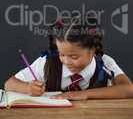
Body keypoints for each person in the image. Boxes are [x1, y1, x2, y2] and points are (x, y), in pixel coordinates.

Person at [4, 15, 133, 100]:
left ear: (93, 50)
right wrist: (27, 88)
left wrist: (83, 94)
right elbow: (9, 84)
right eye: (62, 54)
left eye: (74, 56)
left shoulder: (104, 63)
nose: (66, 61)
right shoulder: (47, 62)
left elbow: (129, 89)